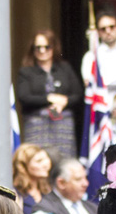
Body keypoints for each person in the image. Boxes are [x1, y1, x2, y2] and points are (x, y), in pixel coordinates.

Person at [16, 31, 82, 160]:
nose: (42, 51)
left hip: (63, 125)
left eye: (46, 47)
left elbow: (78, 94)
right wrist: (49, 98)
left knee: (64, 164)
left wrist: (64, 102)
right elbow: (24, 97)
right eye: (38, 47)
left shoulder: (64, 68)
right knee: (37, 161)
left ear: (53, 47)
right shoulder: (26, 71)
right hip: (36, 125)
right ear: (33, 49)